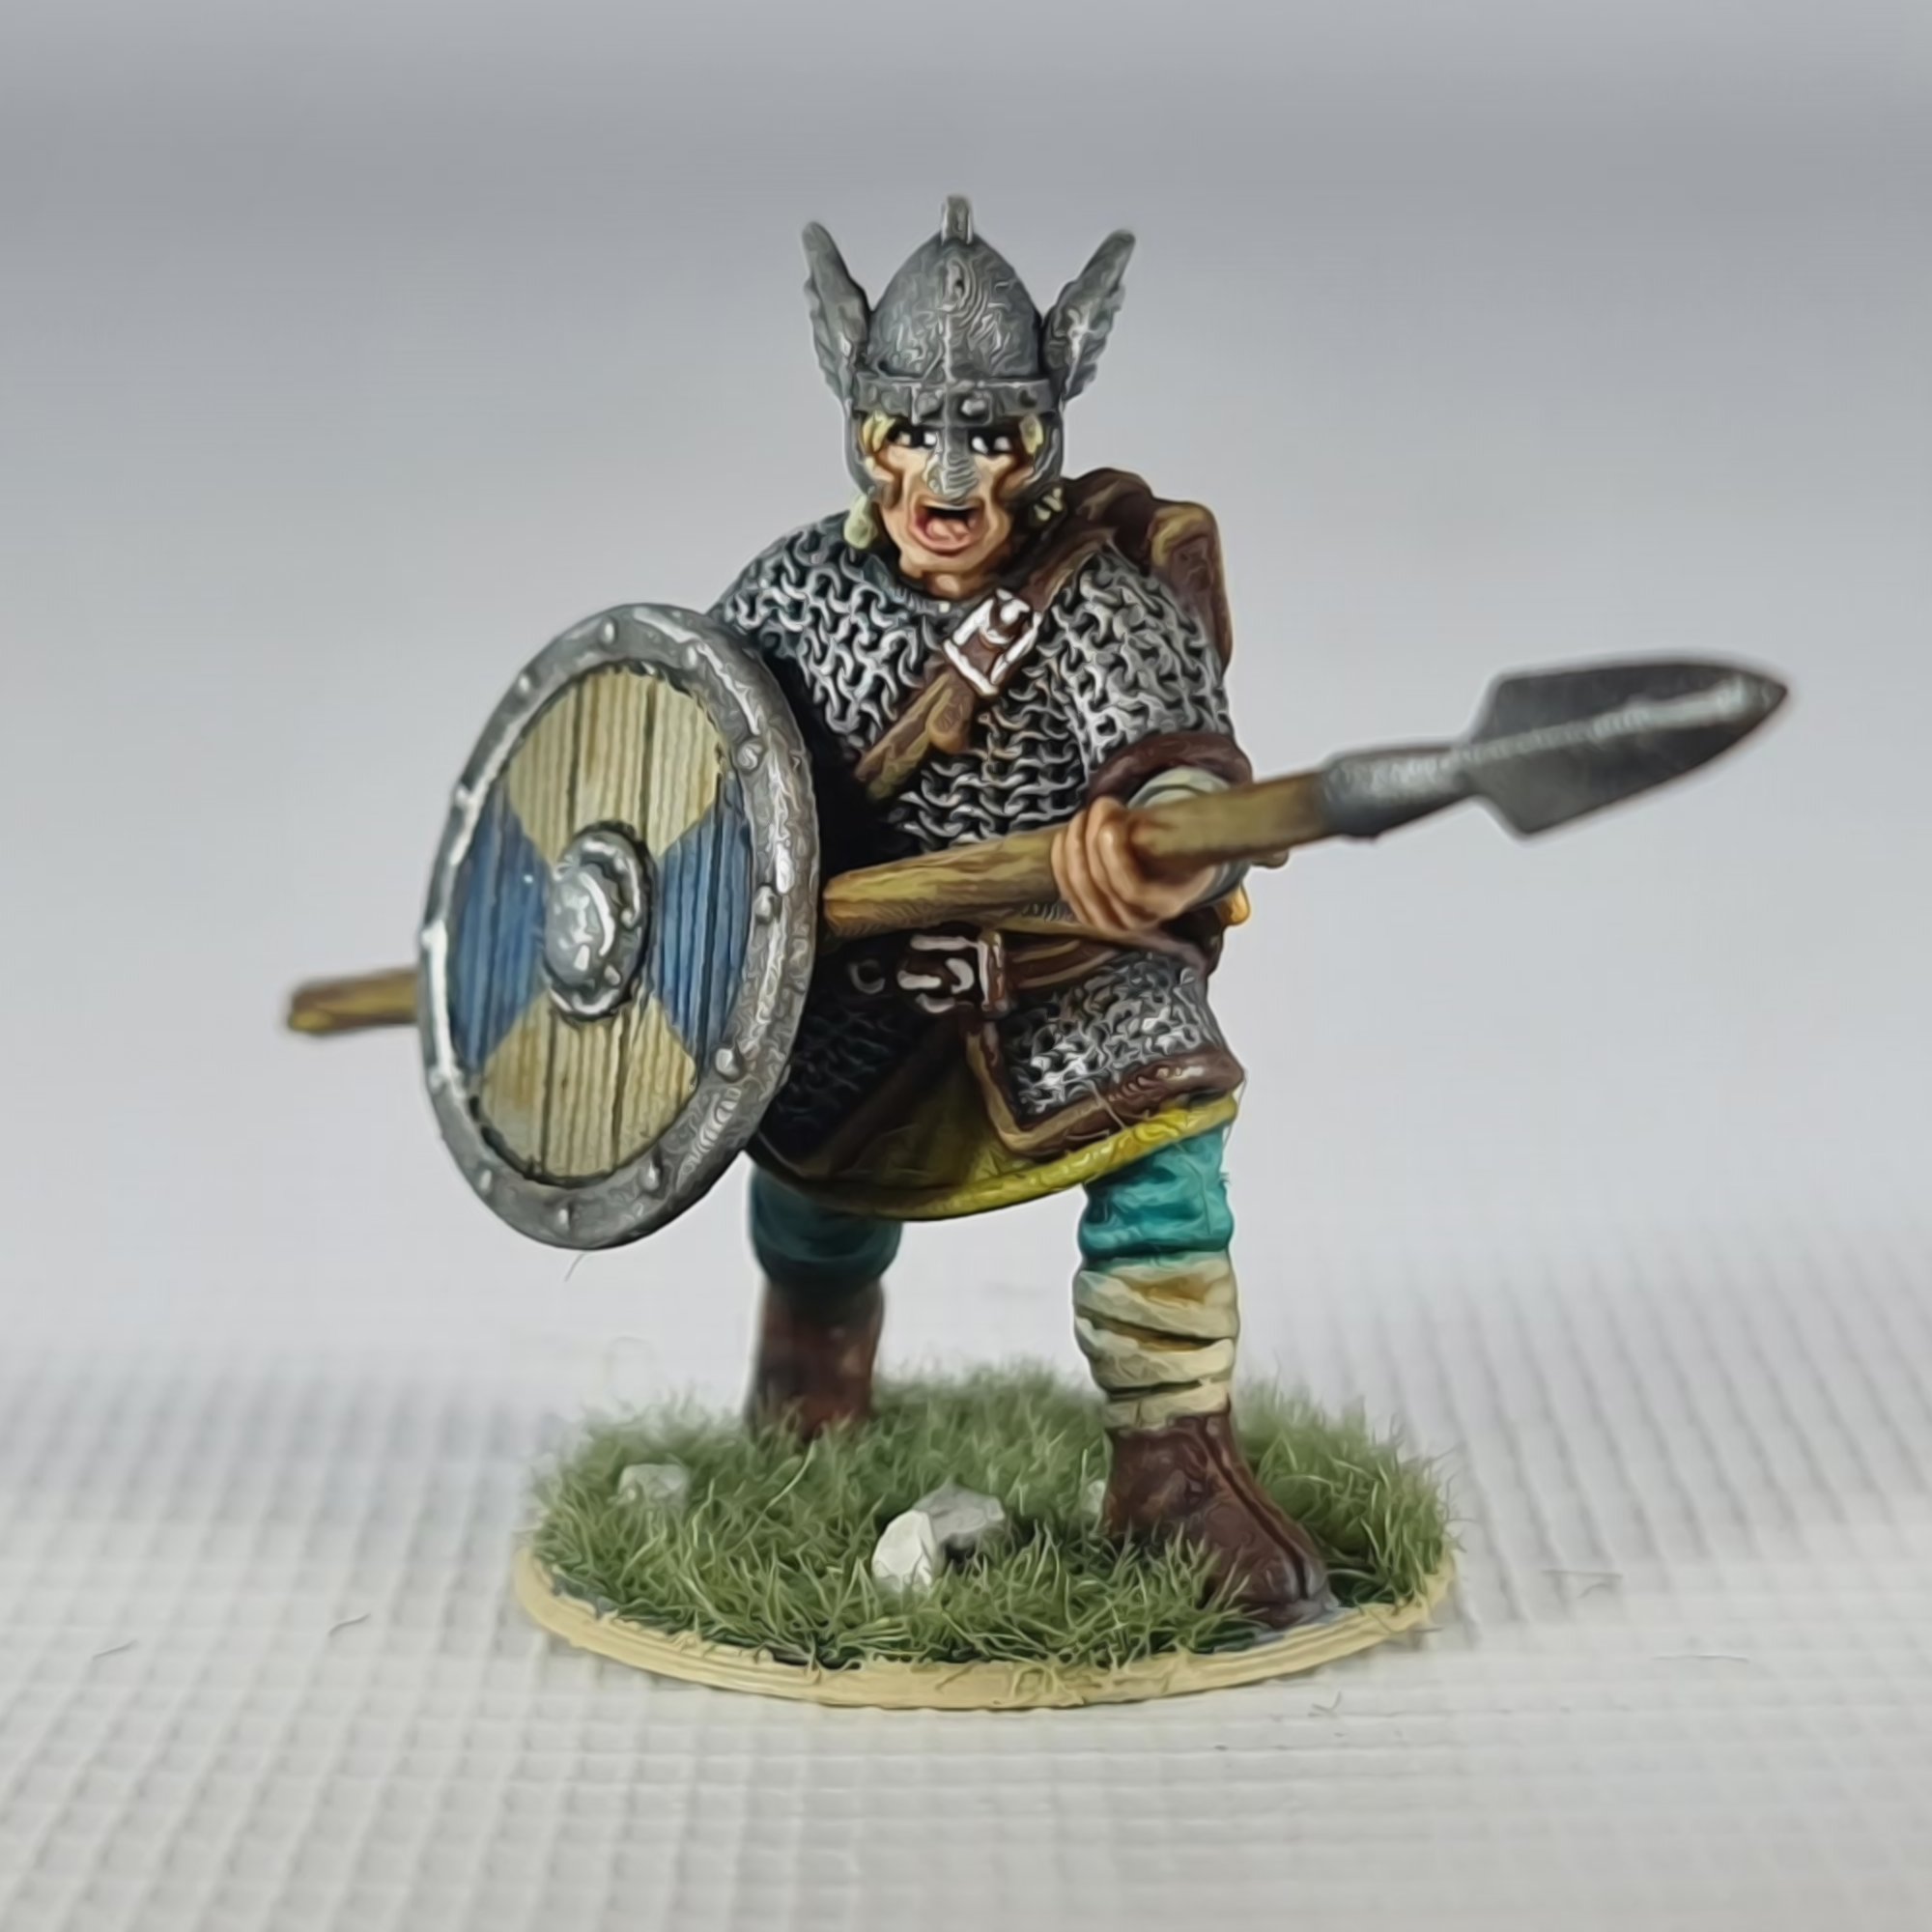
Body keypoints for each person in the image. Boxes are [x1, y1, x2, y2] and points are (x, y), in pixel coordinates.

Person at [712, 197, 1327, 1628]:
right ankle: (806, 1387)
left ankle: (1173, 1464)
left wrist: (1162, 844)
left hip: (1065, 976)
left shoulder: (1099, 607)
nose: (948, 477)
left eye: (991, 435)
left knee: (1169, 1158)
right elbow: (702, 754)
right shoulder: (792, 593)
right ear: (859, 421)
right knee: (806, 1191)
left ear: (1042, 435)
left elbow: (1181, 765)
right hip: (849, 984)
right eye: (911, 434)